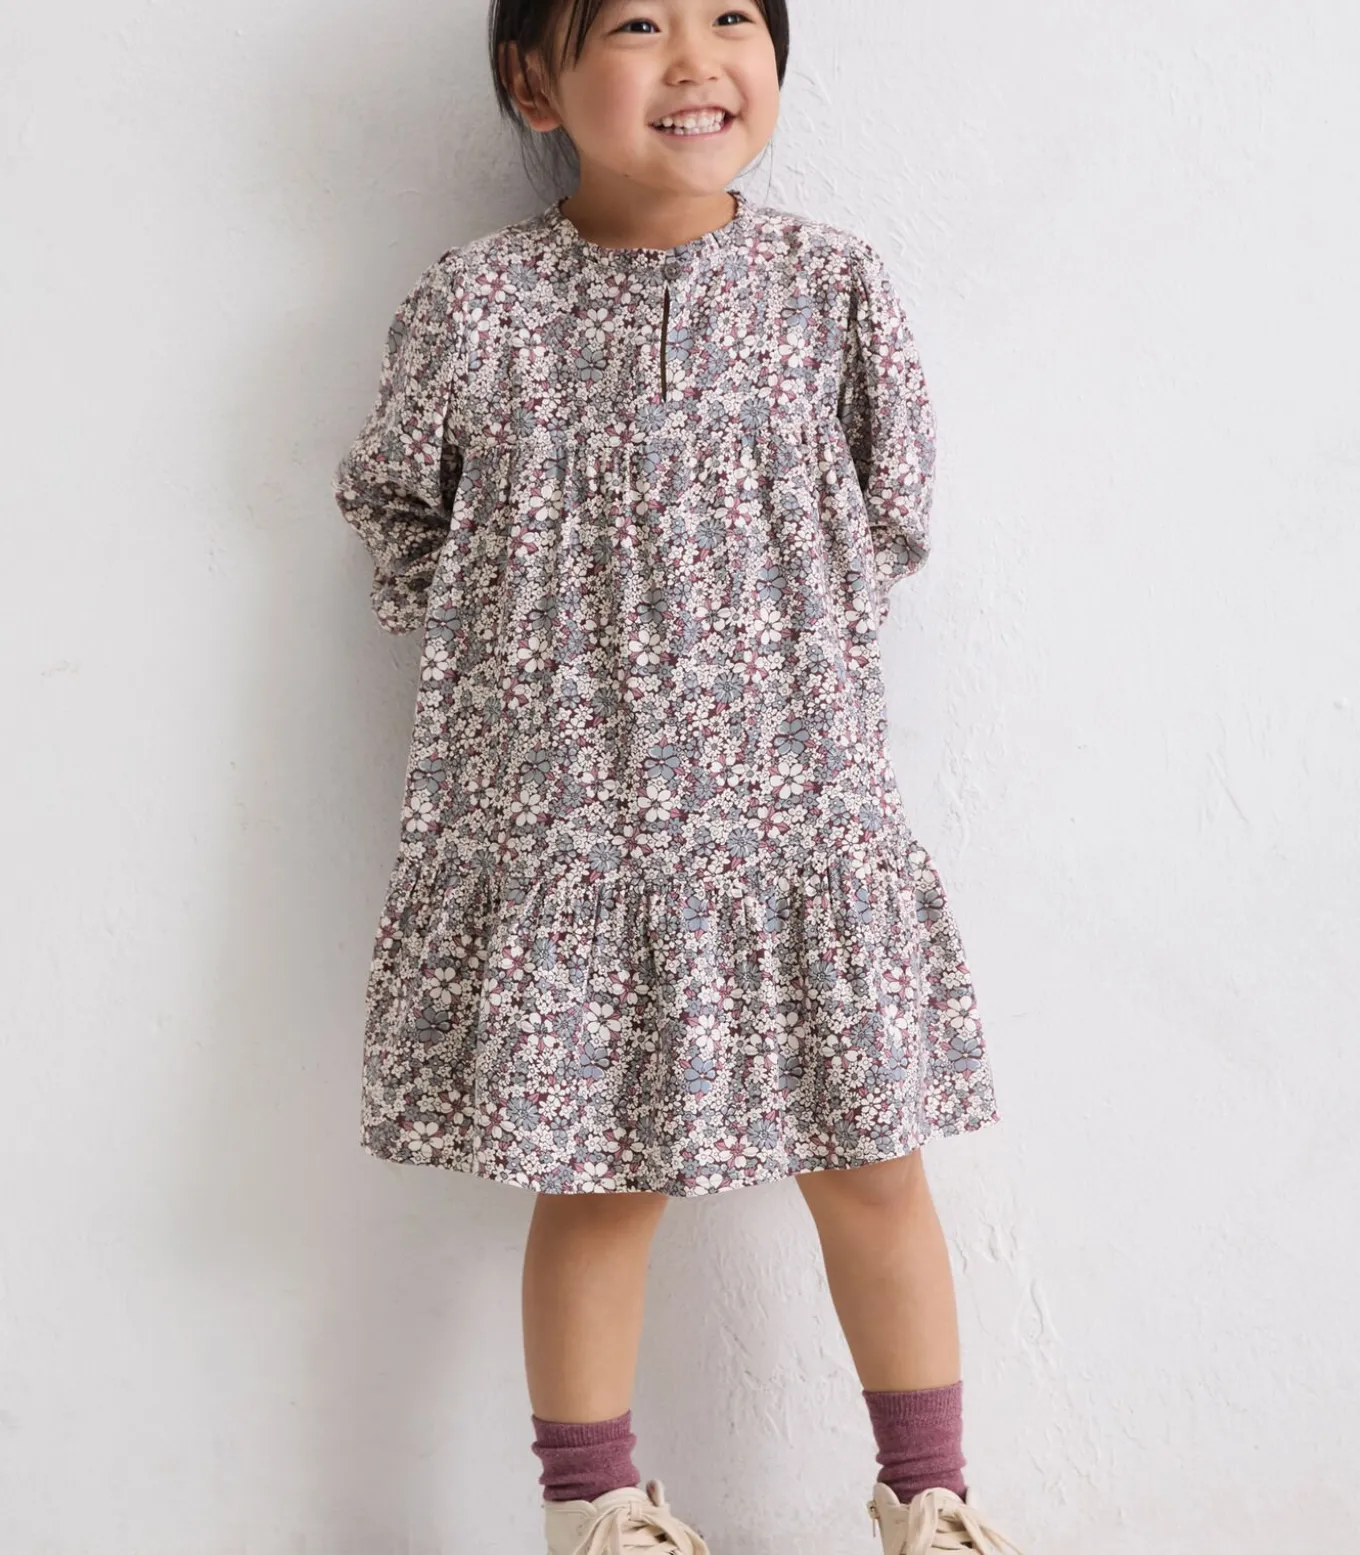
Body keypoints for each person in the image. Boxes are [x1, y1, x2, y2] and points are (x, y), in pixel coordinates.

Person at [332, 2, 1024, 1551]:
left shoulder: (828, 287)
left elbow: (892, 500)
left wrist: (775, 644)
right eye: (639, 23)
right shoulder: (481, 303)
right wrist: (529, 644)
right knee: (595, 1177)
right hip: (572, 820)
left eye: (732, 20)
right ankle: (596, 1508)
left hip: (797, 814)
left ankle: (929, 1495)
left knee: (875, 1161)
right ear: (534, 81)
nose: (697, 59)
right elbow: (394, 504)